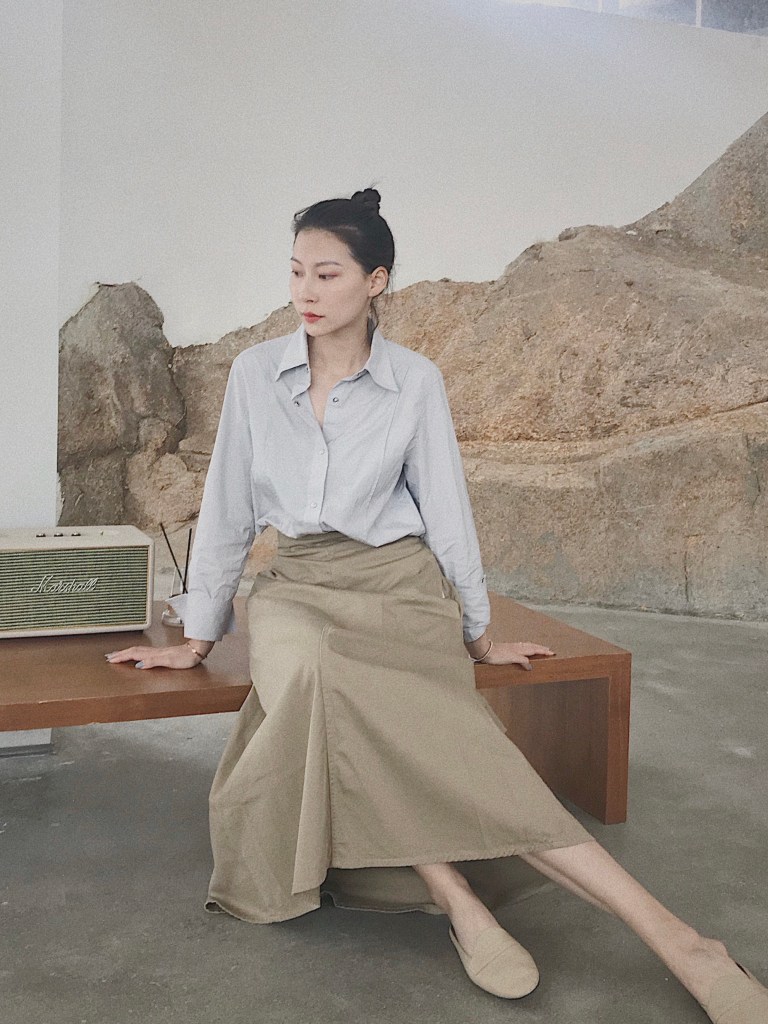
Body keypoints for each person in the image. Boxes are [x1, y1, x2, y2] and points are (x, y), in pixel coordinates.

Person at [105, 188, 767, 1021]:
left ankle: (685, 946)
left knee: (453, 750)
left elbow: (447, 514)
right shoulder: (253, 375)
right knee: (308, 675)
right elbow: (228, 508)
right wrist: (198, 635)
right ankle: (462, 901)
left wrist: (479, 633)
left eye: (328, 273)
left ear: (376, 280)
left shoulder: (414, 382)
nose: (306, 291)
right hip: (299, 587)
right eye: (297, 271)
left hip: (400, 588)